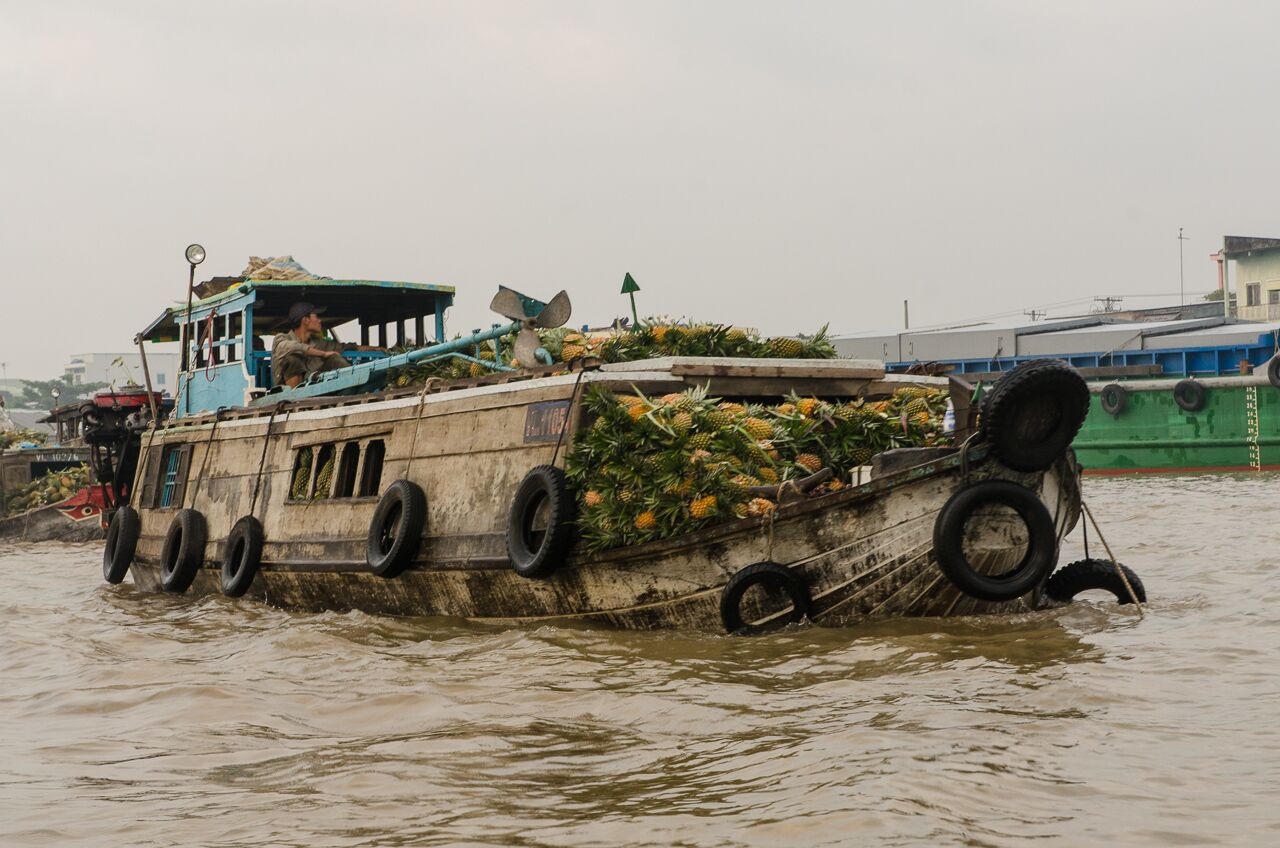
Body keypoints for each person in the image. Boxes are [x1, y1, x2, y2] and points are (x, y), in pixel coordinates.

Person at [271, 302, 351, 388]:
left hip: (313, 384)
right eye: (316, 317)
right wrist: (323, 354)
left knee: (335, 359)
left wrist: (366, 348)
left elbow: (344, 347)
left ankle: (353, 389)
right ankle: (296, 397)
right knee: (292, 359)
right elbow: (293, 348)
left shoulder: (318, 343)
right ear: (305, 320)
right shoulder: (281, 338)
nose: (319, 320)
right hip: (286, 393)